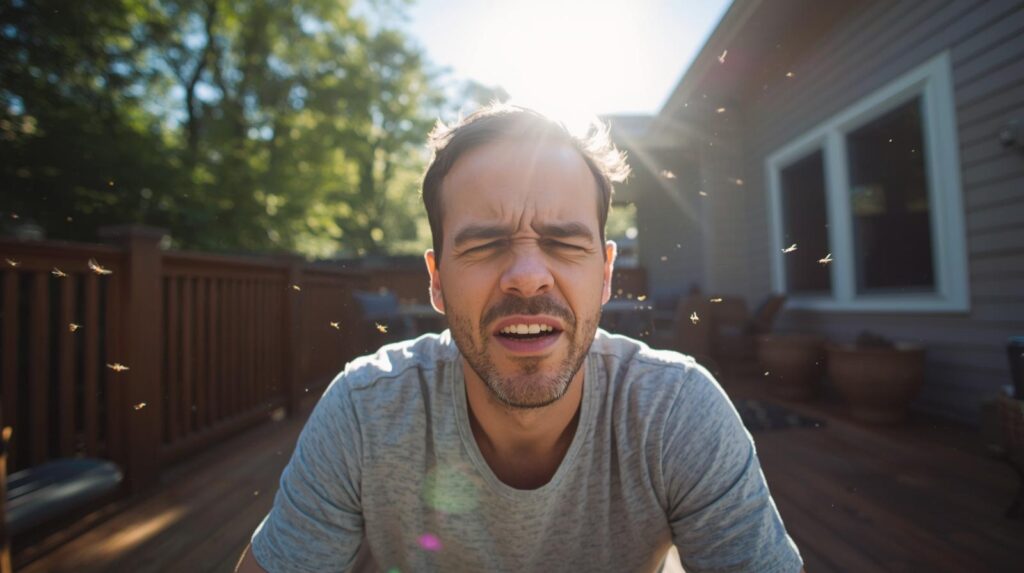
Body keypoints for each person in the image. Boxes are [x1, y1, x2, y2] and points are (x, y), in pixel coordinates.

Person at [235, 104, 805, 572]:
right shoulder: (364, 413)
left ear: (606, 274)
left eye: (563, 241)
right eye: (484, 244)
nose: (527, 275)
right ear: (436, 281)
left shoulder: (678, 410)